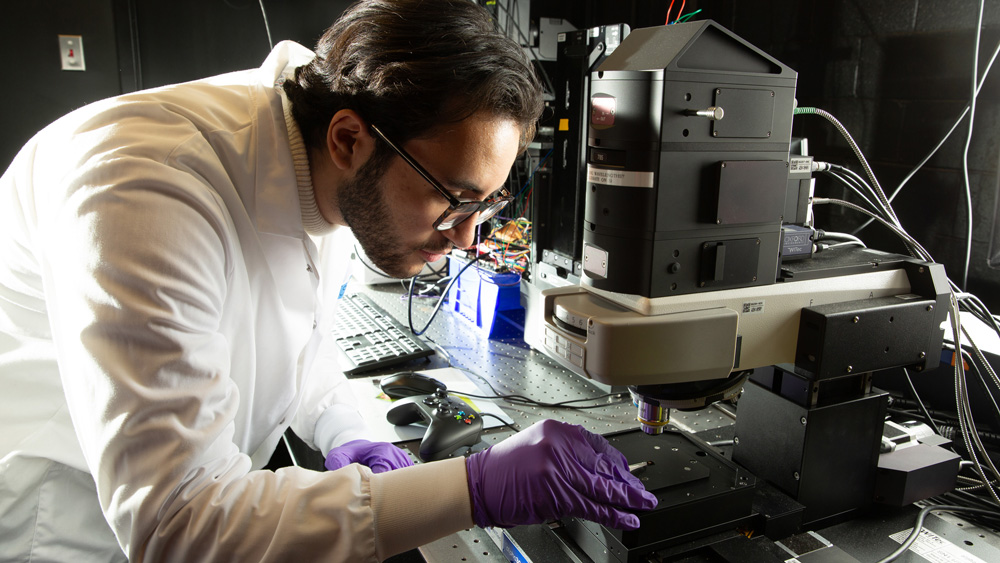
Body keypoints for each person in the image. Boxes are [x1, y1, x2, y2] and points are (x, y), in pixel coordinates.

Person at [0, 0, 657, 561]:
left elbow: (294, 340)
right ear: (349, 139)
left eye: (485, 207)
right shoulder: (142, 190)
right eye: (454, 200)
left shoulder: (319, 165)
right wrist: (472, 487)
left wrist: (342, 426)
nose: (466, 239)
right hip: (68, 530)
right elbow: (182, 522)